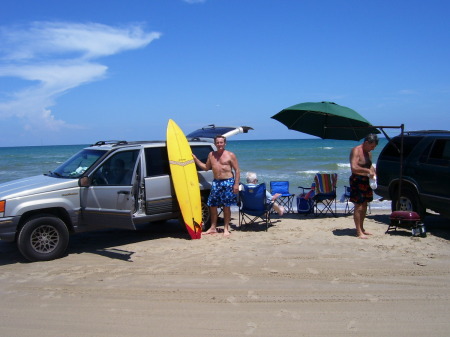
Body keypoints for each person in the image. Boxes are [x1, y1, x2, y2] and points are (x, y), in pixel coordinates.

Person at [193, 135, 240, 237]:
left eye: (221, 142)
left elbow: (237, 170)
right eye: (217, 142)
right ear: (215, 144)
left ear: (225, 143)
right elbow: (206, 167)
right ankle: (213, 227)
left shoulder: (230, 155)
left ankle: (226, 228)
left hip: (228, 182)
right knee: (212, 205)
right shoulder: (211, 155)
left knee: (226, 207)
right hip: (216, 182)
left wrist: (236, 184)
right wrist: (196, 159)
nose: (219, 144)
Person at [349, 133, 379, 239]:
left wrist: (374, 172)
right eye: (372, 146)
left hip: (367, 180)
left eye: (374, 147)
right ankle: (358, 231)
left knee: (365, 204)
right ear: (366, 142)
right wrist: (367, 170)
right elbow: (354, 167)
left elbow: (369, 165)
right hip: (357, 180)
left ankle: (362, 228)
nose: (373, 149)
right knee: (359, 205)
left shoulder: (368, 153)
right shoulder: (356, 150)